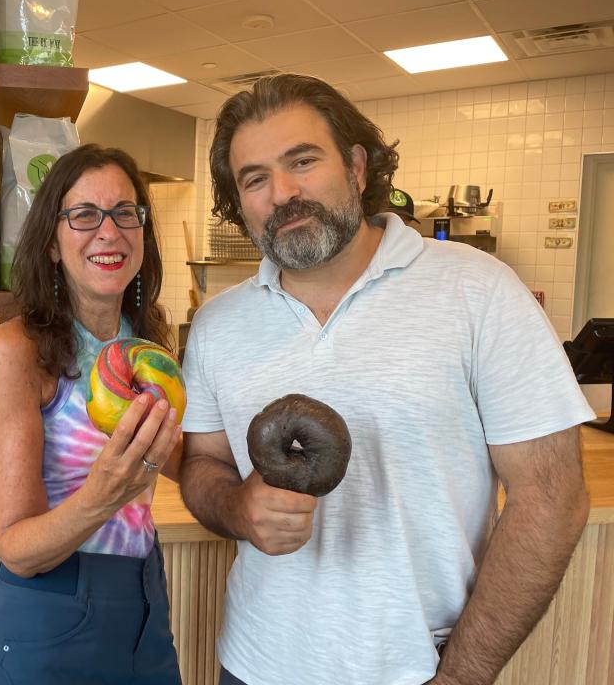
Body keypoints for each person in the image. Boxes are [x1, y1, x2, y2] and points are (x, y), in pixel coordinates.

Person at [178, 74, 594, 685]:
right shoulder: (218, 323)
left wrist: (461, 675)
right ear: (238, 202)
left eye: (302, 161)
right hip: (253, 662)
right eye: (255, 178)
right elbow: (202, 463)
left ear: (355, 165)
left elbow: (553, 497)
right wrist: (237, 507)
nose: (283, 193)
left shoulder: (478, 291)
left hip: (415, 668)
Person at [0, 144, 183, 684]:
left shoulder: (152, 344)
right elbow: (14, 547)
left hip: (144, 599)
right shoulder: (17, 349)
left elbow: (178, 459)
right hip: (47, 607)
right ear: (54, 244)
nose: (109, 232)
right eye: (84, 215)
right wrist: (103, 495)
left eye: (125, 213)